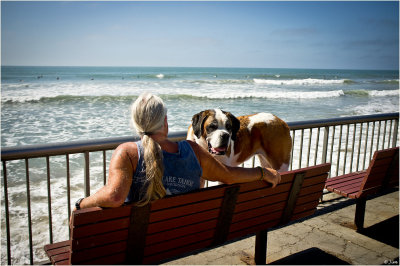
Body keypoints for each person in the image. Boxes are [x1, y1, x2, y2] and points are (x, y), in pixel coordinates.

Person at [73, 92, 281, 210]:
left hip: (135, 245)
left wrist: (80, 204)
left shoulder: (126, 153)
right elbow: (229, 176)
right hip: (185, 237)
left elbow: (114, 197)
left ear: (136, 123)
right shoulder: (191, 150)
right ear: (165, 122)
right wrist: (263, 172)